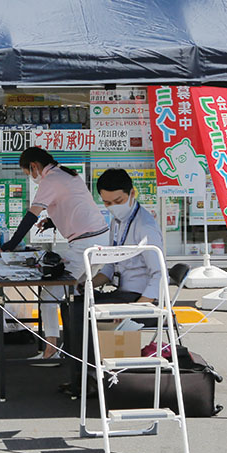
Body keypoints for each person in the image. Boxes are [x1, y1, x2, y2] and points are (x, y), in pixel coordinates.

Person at [61, 168, 166, 396]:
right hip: (122, 291)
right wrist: (87, 282)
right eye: (107, 203)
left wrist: (137, 307)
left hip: (140, 298)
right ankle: (76, 370)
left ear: (132, 193)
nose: (113, 206)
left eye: (118, 201)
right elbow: (110, 265)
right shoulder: (118, 221)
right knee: (70, 303)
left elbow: (160, 274)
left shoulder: (144, 226)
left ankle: (90, 377)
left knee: (81, 312)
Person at [0, 147, 109, 365]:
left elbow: (31, 215)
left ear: (34, 166)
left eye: (28, 173)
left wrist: (11, 244)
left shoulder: (50, 180)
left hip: (85, 245)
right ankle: (76, 349)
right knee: (74, 293)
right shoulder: (67, 174)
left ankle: (52, 350)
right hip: (99, 239)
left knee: (50, 294)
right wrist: (51, 221)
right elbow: (75, 206)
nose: (31, 177)